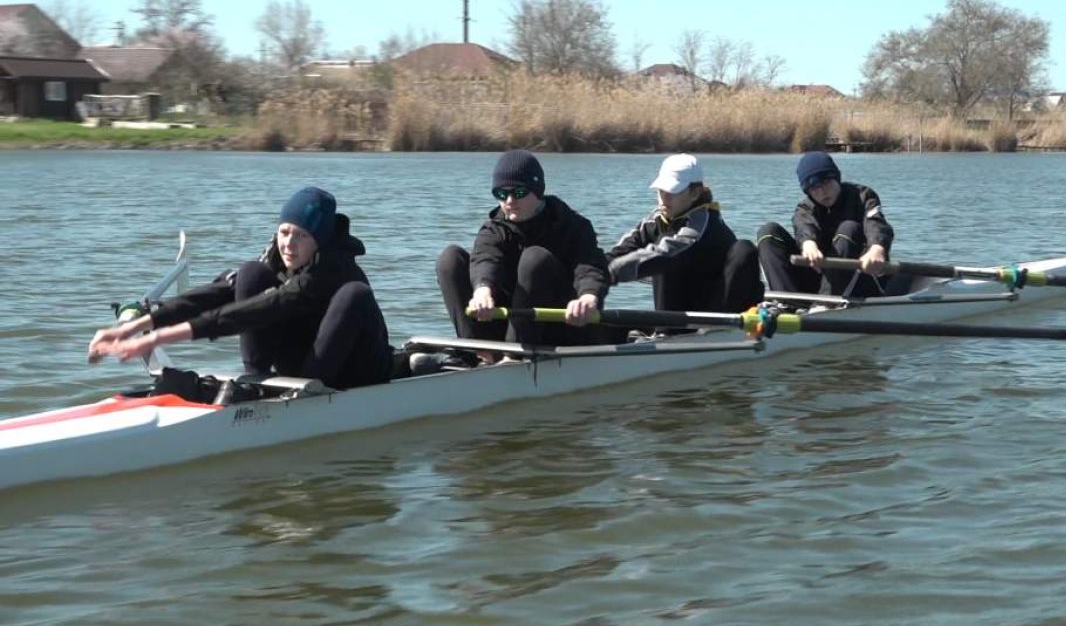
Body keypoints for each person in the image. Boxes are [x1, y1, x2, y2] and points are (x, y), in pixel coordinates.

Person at [88, 186, 401, 389]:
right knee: (250, 273)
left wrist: (157, 339)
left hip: (359, 371)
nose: (289, 244)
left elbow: (270, 307)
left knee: (354, 294)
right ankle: (257, 379)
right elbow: (216, 294)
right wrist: (140, 324)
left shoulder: (332, 267)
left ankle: (307, 394)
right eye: (284, 232)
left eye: (301, 236)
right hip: (307, 359)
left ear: (318, 240)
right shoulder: (278, 255)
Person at [436, 149, 610, 347]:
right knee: (449, 259)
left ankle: (513, 356)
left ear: (537, 190)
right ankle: (478, 351)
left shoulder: (573, 226)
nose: (509, 201)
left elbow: (590, 268)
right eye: (502, 193)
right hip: (508, 325)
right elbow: (486, 259)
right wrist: (482, 291)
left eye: (518, 192)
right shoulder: (494, 229)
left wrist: (588, 296)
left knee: (535, 258)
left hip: (563, 326)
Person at [606, 153, 763, 313]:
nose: (664, 199)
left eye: (672, 191)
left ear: (695, 193)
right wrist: (591, 273)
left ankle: (666, 331)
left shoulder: (702, 222)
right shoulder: (656, 219)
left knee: (744, 248)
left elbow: (665, 253)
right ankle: (664, 329)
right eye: (661, 191)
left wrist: (610, 273)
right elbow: (620, 251)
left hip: (716, 307)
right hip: (685, 304)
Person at [757, 151, 894, 297]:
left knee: (849, 227)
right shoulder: (805, 208)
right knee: (768, 232)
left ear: (836, 178)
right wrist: (808, 244)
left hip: (860, 276)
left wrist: (877, 248)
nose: (822, 192)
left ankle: (825, 304)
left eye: (826, 182)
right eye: (814, 187)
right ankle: (786, 301)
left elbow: (876, 224)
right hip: (818, 276)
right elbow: (804, 225)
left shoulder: (863, 196)